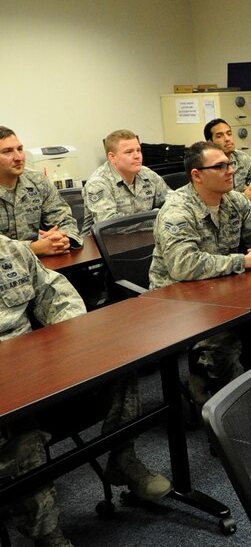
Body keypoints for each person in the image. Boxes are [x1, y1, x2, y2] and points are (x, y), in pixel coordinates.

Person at [0, 234, 170, 547]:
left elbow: (58, 296)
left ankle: (122, 458)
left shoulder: (11, 249)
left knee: (120, 365)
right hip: (7, 399)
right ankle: (47, 533)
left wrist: (68, 344)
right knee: (19, 430)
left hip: (36, 368)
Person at [150, 141, 251, 404]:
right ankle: (225, 403)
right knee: (224, 344)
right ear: (197, 175)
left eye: (229, 164)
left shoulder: (234, 200)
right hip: (177, 300)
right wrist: (244, 261)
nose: (230, 171)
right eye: (220, 166)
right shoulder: (177, 210)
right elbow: (183, 265)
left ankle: (219, 379)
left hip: (223, 289)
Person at [0, 127, 81, 256]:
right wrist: (33, 248)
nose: (18, 157)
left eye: (20, 149)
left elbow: (64, 219)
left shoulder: (37, 181)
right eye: (7, 151)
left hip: (44, 264)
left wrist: (63, 237)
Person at [81, 129, 169, 233]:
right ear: (112, 157)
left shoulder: (146, 173)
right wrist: (153, 219)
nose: (137, 156)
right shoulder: (98, 183)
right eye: (129, 152)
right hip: (101, 245)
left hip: (141, 238)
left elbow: (173, 201)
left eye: (138, 150)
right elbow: (108, 225)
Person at [203, 118, 251, 202]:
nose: (227, 139)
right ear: (210, 142)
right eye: (219, 136)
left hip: (246, 210)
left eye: (229, 134)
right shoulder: (207, 166)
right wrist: (243, 197)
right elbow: (212, 199)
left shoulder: (243, 158)